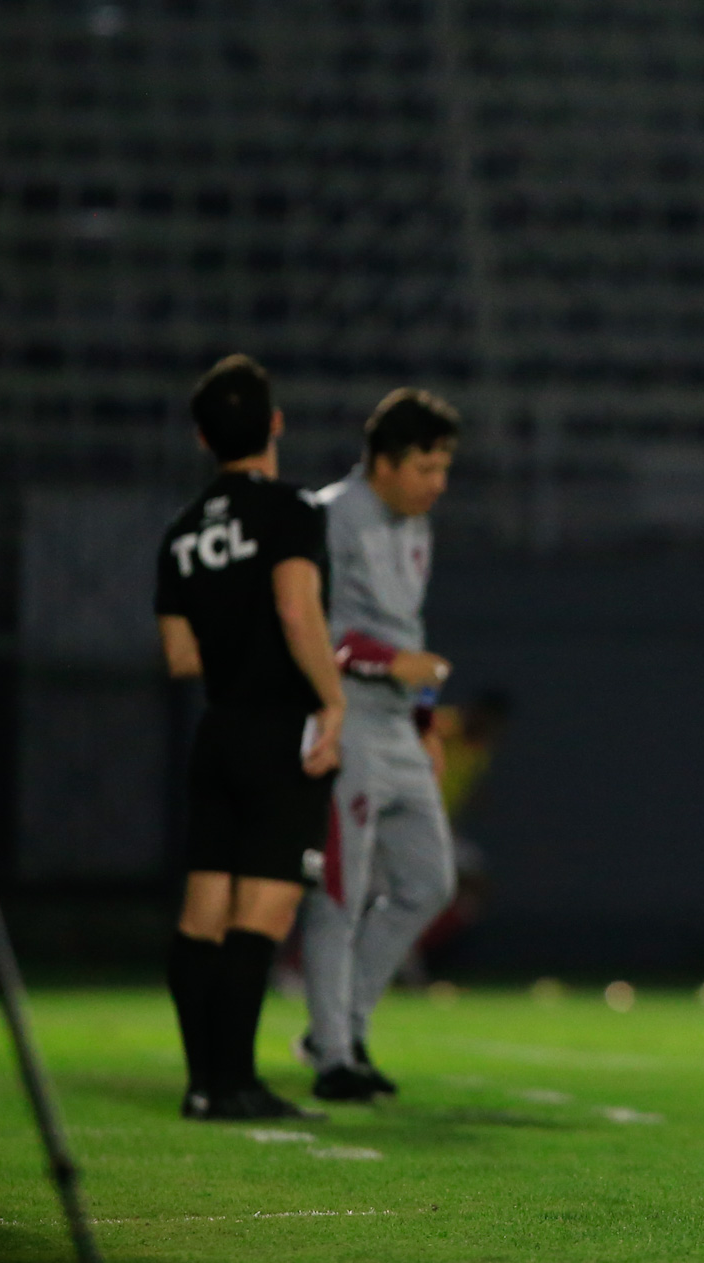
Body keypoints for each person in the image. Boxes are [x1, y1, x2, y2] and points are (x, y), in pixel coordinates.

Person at [155, 354, 344, 1121]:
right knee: (261, 916)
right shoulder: (291, 509)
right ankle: (235, 1081)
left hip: (219, 730)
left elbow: (180, 656)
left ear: (203, 437)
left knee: (202, 912)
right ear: (275, 422)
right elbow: (298, 609)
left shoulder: (179, 535)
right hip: (277, 735)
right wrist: (331, 702)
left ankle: (203, 1082)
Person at [298, 389, 461, 1101]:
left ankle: (345, 1027)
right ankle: (333, 1051)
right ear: (384, 463)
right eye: (426, 467)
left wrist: (426, 723)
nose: (437, 483)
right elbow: (307, 625)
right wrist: (388, 666)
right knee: (342, 889)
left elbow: (410, 637)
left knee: (429, 882)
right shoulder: (328, 515)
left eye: (443, 467)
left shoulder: (417, 526)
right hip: (346, 719)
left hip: (398, 724)